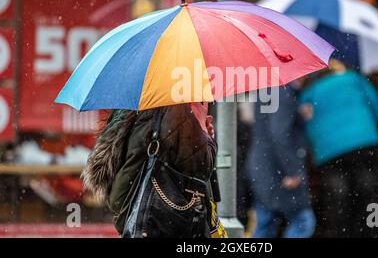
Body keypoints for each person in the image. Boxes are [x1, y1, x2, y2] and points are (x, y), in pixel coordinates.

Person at [81, 102, 227, 238]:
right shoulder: (177, 108)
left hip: (137, 215)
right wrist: (204, 131)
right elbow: (201, 166)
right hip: (162, 220)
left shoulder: (134, 106)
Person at [298, 60, 378, 237]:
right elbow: (377, 108)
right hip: (364, 142)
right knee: (370, 195)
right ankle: (373, 231)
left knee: (338, 200)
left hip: (329, 152)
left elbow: (304, 128)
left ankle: (341, 232)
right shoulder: (353, 79)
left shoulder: (308, 94)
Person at [246, 83, 316, 238]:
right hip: (277, 168)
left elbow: (270, 125)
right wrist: (293, 170)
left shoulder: (269, 89)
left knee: (266, 221)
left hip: (263, 166)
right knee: (302, 221)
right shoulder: (282, 91)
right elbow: (280, 133)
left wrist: (297, 114)